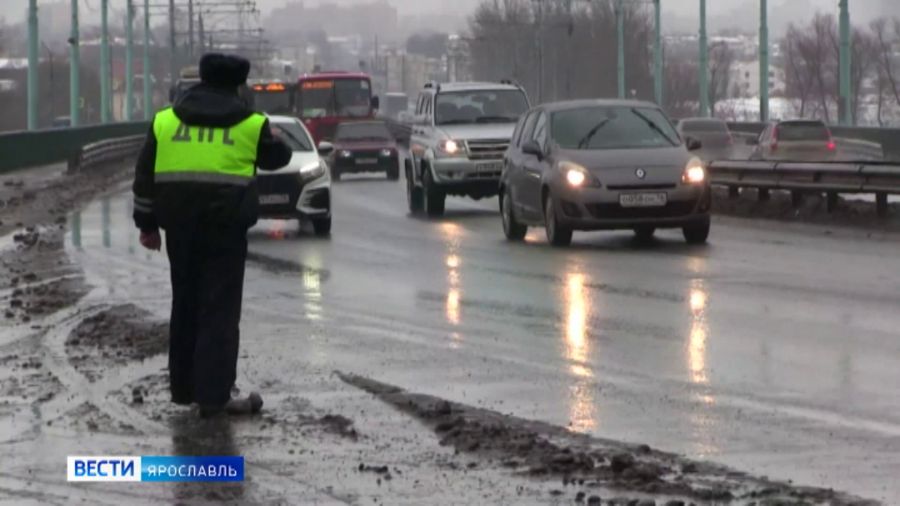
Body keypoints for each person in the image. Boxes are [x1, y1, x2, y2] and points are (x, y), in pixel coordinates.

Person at [132, 53, 292, 417]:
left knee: (185, 305)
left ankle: (185, 389)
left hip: (180, 231)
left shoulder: (165, 121)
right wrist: (276, 138)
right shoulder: (251, 124)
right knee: (218, 312)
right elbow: (278, 157)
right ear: (238, 85)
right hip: (225, 232)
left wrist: (146, 224)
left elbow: (144, 178)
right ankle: (214, 396)